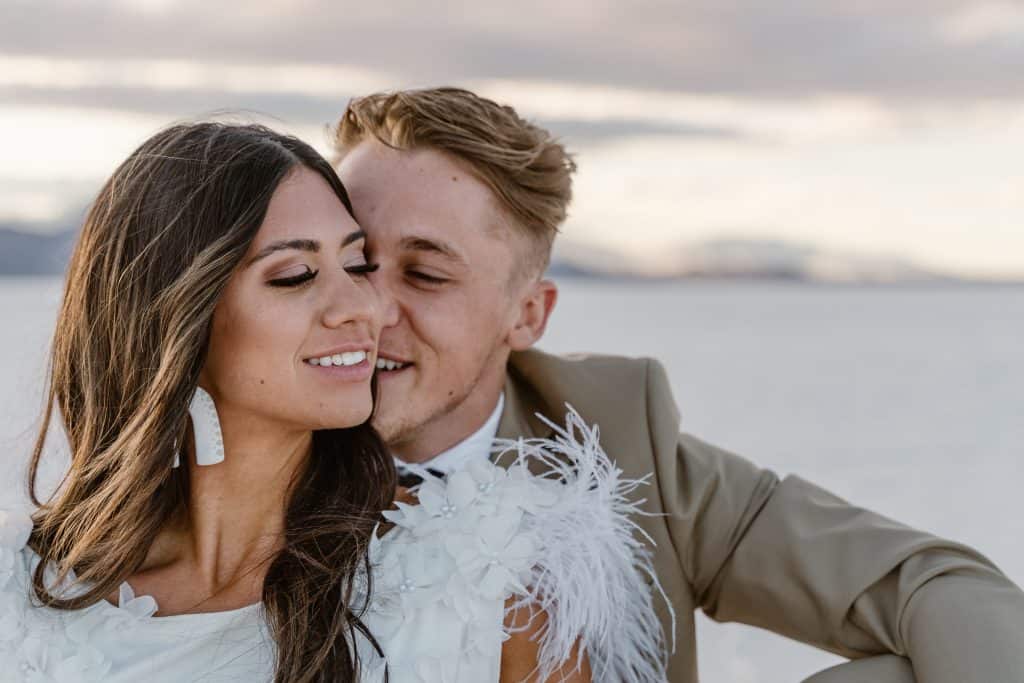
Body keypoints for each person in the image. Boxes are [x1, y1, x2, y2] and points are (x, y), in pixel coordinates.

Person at [332, 87, 1024, 683]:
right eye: (353, 259)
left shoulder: (622, 450)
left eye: (425, 275)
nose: (365, 307)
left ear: (528, 315)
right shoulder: (235, 448)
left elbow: (934, 585)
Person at [0, 121, 665, 682]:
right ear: (175, 323)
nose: (367, 308)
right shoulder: (20, 589)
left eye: (356, 265)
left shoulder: (486, 577)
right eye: (296, 275)